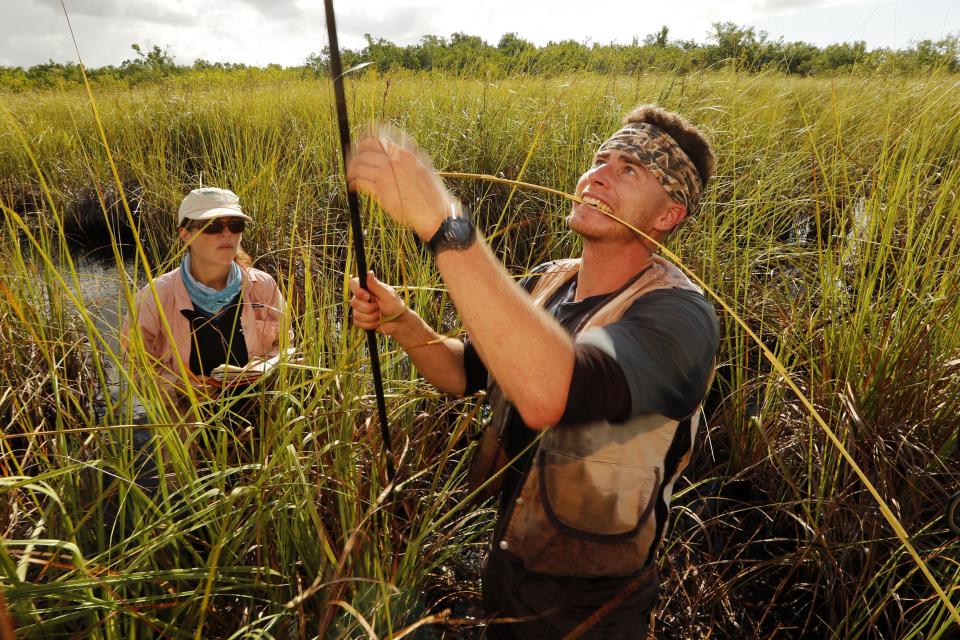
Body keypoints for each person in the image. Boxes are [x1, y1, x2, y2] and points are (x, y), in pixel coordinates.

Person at [348, 105, 719, 638]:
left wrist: (445, 224)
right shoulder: (549, 282)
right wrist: (404, 323)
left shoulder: (680, 318)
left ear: (668, 215)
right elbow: (463, 371)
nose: (597, 176)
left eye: (629, 170)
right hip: (508, 562)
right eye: (599, 159)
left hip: (593, 607)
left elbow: (551, 394)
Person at [121, 186, 289, 420]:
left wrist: (262, 367)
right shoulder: (155, 297)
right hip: (187, 427)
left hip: (258, 418)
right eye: (213, 226)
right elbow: (136, 366)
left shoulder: (263, 286)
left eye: (235, 225)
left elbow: (285, 345)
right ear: (185, 234)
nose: (226, 234)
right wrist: (180, 387)